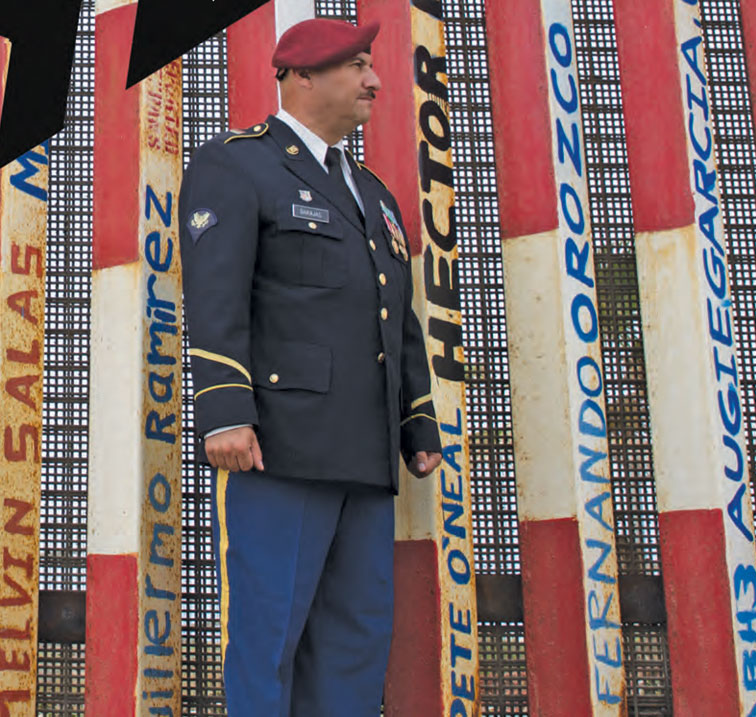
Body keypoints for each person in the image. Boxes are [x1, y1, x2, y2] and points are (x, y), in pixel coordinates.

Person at [177, 17, 443, 716]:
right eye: (356, 65)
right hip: (279, 447)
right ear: (302, 75)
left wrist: (417, 422)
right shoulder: (236, 164)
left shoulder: (374, 195)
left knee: (356, 640)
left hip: (364, 450)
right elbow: (215, 295)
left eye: (371, 66)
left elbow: (396, 314)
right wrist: (225, 410)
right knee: (269, 639)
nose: (375, 80)